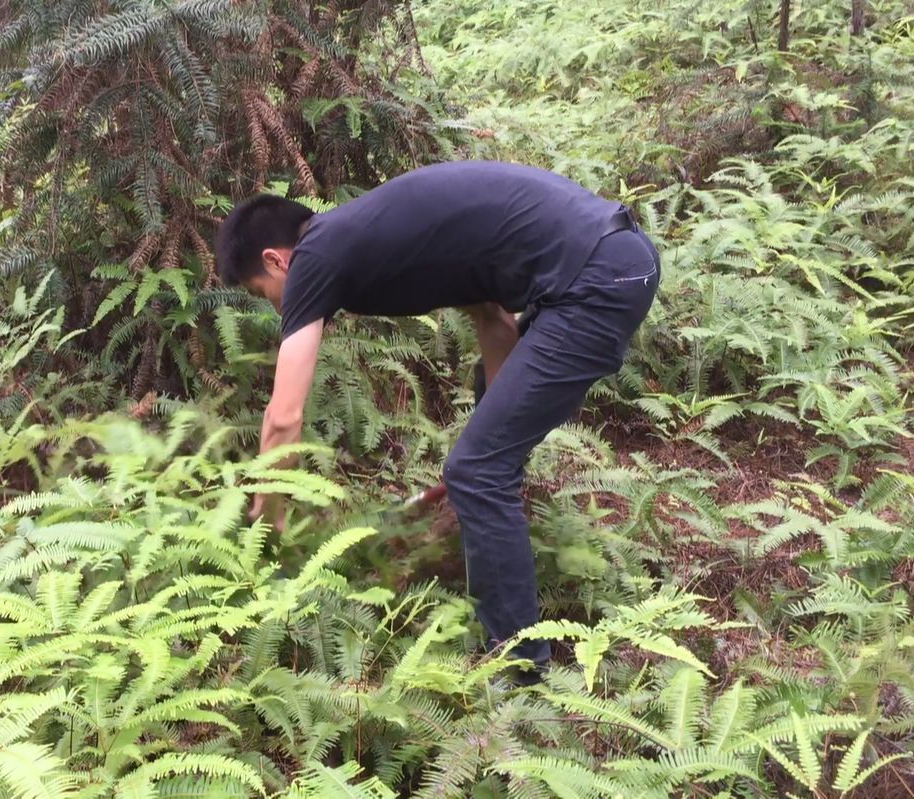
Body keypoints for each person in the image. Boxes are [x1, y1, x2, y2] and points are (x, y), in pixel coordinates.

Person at [214, 160, 661, 683]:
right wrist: (494, 450)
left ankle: (521, 668)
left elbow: (284, 414)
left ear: (276, 260)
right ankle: (493, 532)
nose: (271, 307)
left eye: (259, 291)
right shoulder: (381, 240)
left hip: (596, 279)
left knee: (477, 470)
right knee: (483, 459)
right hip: (614, 260)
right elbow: (493, 320)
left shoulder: (316, 254)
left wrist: (267, 517)